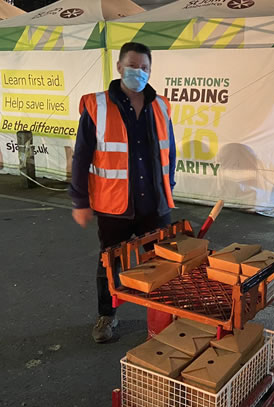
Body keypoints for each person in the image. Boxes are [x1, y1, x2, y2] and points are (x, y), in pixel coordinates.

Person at [69, 42, 176, 343]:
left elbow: (170, 153)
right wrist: (80, 201)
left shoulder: (161, 106)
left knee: (163, 265)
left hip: (155, 205)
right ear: (119, 67)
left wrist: (170, 187)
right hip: (114, 206)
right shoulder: (97, 106)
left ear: (150, 70)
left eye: (144, 67)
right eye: (132, 65)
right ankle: (107, 316)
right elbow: (82, 157)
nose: (138, 72)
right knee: (109, 265)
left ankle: (163, 318)